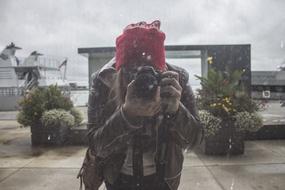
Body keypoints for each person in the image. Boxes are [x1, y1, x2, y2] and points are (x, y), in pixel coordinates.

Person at [79, 20, 203, 190]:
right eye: (133, 72)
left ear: (163, 69)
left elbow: (196, 139)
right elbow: (95, 145)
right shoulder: (103, 82)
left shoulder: (176, 80)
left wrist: (176, 111)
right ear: (119, 70)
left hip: (163, 178)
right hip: (117, 177)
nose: (143, 81)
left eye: (153, 71)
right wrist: (126, 115)